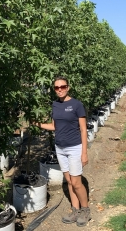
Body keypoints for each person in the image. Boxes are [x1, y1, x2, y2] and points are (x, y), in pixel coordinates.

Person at [35, 76, 91, 227]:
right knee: (69, 182)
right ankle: (75, 210)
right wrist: (37, 123)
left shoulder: (76, 105)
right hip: (60, 148)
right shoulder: (54, 105)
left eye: (63, 87)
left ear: (68, 87)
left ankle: (85, 210)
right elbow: (54, 126)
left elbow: (84, 129)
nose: (60, 90)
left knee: (76, 183)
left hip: (74, 148)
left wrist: (84, 152)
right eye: (56, 88)